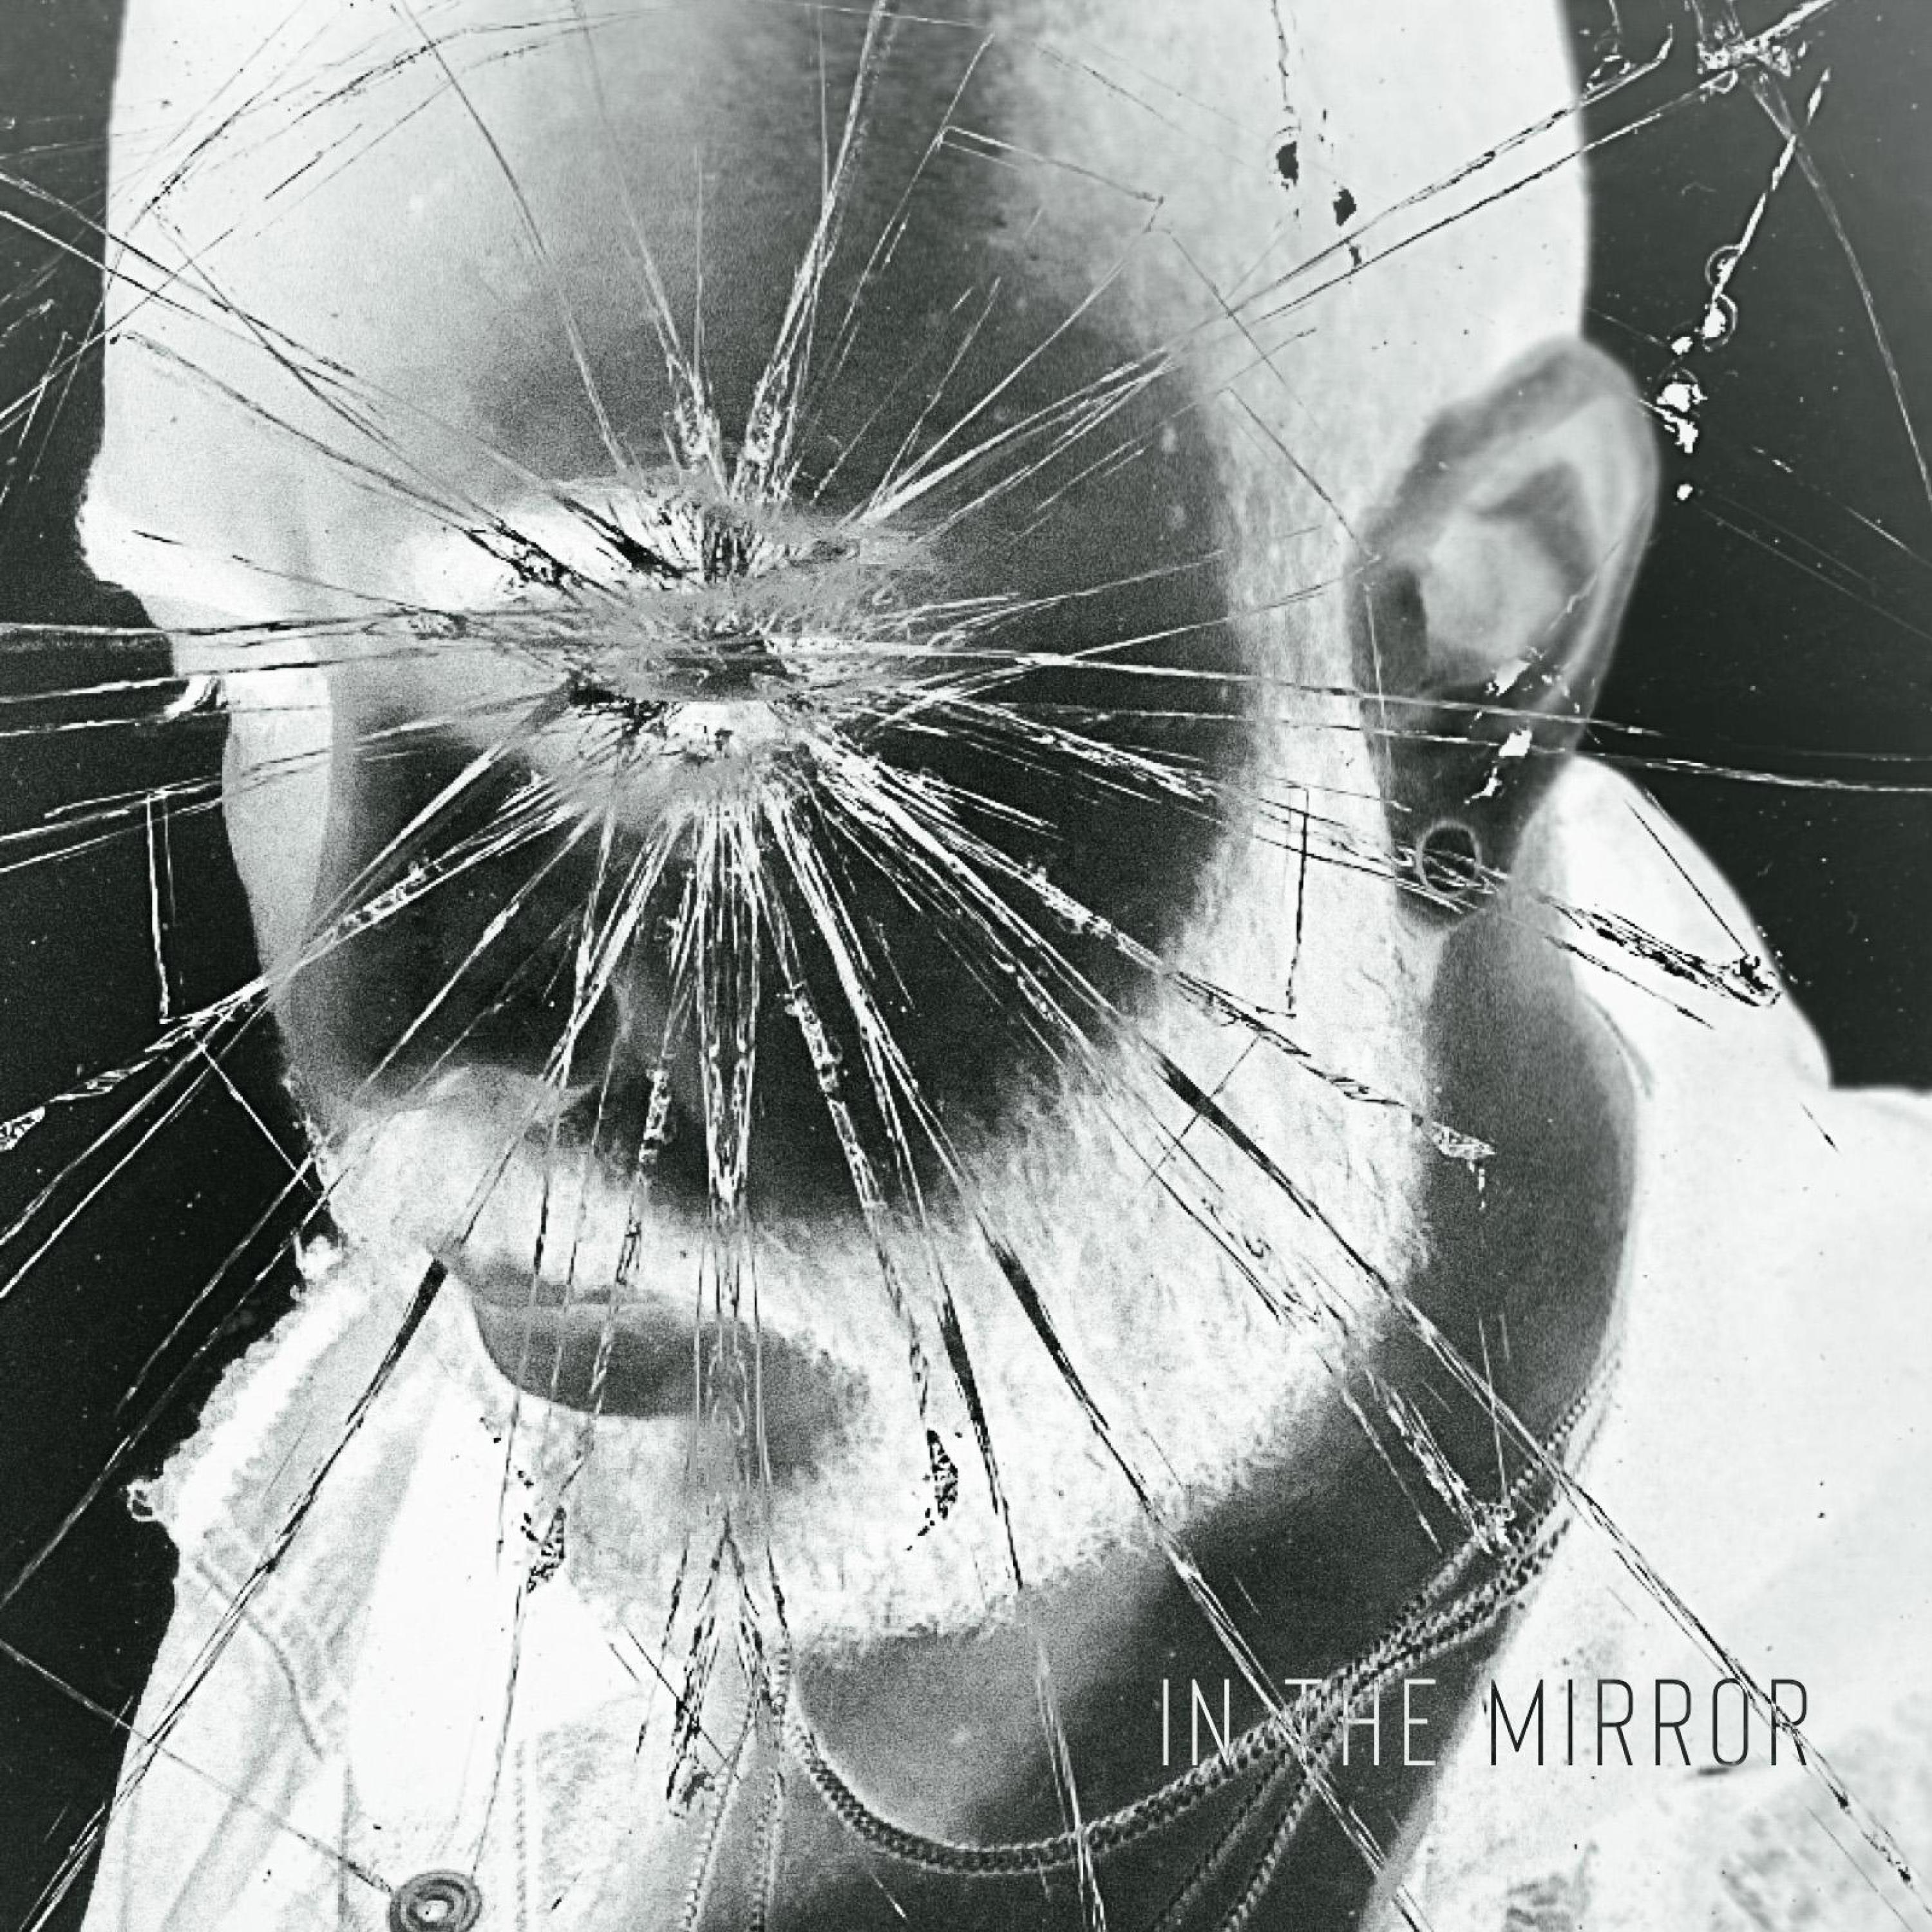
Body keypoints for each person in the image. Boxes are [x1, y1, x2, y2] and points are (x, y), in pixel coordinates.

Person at [66, 0, 1932, 1926]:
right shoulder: (391, 1456)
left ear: (1464, 647)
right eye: (234, 665)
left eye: (682, 682)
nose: (381, 1047)